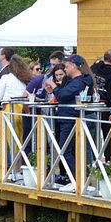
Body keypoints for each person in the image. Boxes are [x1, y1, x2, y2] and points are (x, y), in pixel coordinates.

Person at [43, 55, 95, 189]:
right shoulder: (74, 81)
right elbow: (62, 94)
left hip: (71, 119)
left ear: (74, 66)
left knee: (66, 150)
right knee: (70, 150)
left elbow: (64, 95)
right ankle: (77, 180)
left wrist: (54, 86)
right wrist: (54, 90)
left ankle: (77, 180)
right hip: (69, 118)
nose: (65, 68)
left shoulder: (79, 81)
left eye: (66, 65)